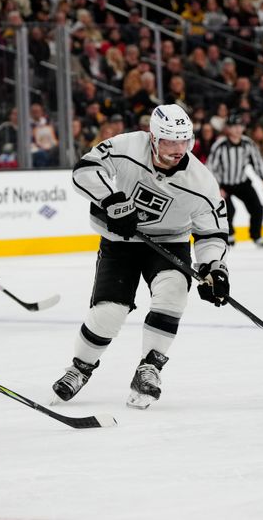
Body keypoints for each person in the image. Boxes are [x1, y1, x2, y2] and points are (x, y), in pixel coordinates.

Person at [52, 104, 230, 409]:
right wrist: (111, 200)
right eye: (170, 141)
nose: (178, 150)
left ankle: (150, 367)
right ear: (153, 138)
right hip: (119, 241)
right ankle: (80, 368)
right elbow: (84, 170)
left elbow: (211, 232)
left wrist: (215, 268)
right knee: (109, 312)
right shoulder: (127, 147)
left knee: (173, 292)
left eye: (184, 142)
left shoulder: (201, 182)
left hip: (170, 241)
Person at [206, 112, 263, 247]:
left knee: (257, 208)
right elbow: (211, 167)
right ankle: (230, 234)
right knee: (229, 209)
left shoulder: (248, 143)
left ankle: (256, 236)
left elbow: (256, 162)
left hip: (242, 182)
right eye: (233, 126)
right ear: (228, 128)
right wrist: (217, 187)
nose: (237, 129)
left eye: (239, 126)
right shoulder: (220, 145)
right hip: (224, 183)